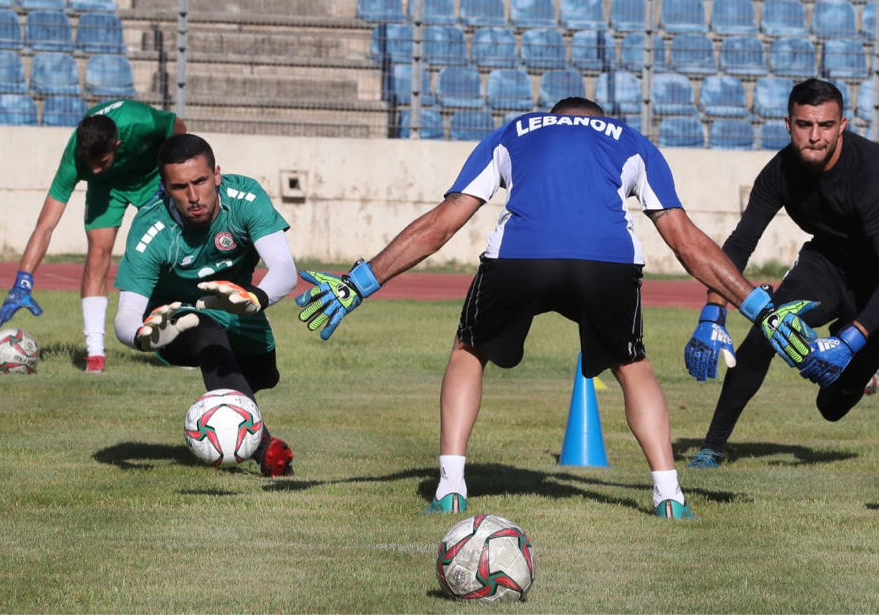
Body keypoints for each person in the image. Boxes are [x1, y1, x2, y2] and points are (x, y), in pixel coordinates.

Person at [295, 97, 812, 518]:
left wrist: (359, 281)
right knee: (632, 365)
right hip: (607, 262)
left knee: (468, 350)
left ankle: (450, 486)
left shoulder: (513, 132)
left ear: (557, 115)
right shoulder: (630, 141)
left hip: (522, 257)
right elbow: (685, 241)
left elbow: (443, 222)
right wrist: (758, 307)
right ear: (598, 119)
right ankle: (669, 495)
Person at [683, 78, 879, 469]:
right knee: (767, 331)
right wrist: (712, 311)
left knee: (831, 405)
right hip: (829, 261)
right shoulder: (778, 172)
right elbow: (739, 244)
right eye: (805, 125)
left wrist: (851, 342)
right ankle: (712, 448)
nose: (815, 136)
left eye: (825, 125)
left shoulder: (875, 174)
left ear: (843, 125)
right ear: (789, 124)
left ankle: (861, 368)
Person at [113, 133, 297, 477]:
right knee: (205, 331)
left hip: (241, 308)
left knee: (264, 376)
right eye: (180, 187)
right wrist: (141, 337)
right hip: (177, 326)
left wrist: (254, 299)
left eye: (200, 181)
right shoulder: (151, 229)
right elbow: (125, 316)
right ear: (165, 188)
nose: (193, 196)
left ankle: (218, 406)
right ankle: (263, 451)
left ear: (217, 175)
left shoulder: (245, 198)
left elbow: (285, 270)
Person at [0, 99, 187, 373]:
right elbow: (45, 225)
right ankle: (95, 355)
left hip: (149, 176)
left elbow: (179, 128)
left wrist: (171, 172)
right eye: (90, 164)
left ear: (117, 146)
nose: (93, 169)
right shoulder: (76, 158)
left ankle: (179, 342)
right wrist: (22, 280)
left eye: (102, 162)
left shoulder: (139, 120)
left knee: (172, 251)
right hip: (107, 187)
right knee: (97, 254)